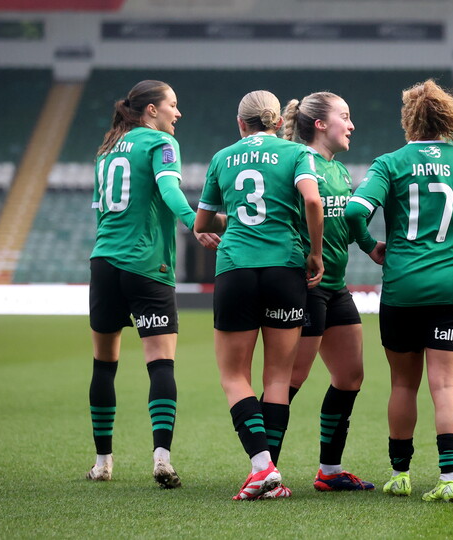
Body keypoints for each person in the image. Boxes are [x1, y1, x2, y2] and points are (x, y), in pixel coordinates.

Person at [344, 79, 453, 503]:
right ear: (448, 118)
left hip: (402, 287)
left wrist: (369, 245)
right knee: (446, 386)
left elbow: (356, 210)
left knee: (402, 386)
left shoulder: (390, 162)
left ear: (409, 120)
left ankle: (401, 474)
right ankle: (449, 478)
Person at [87, 79, 221, 488]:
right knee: (160, 364)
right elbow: (168, 188)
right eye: (172, 106)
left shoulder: (106, 149)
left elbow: (102, 213)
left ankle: (102, 462)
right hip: (147, 266)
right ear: (151, 111)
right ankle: (161, 459)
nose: (177, 113)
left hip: (104, 263)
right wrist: (194, 224)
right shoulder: (160, 144)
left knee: (104, 366)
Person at [194, 90, 324, 500]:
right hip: (285, 268)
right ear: (278, 123)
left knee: (234, 376)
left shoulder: (222, 157)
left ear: (241, 124)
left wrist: (219, 220)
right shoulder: (294, 154)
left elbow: (203, 220)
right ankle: (271, 476)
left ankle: (262, 467)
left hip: (236, 267)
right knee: (278, 378)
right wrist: (315, 253)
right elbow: (312, 200)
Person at [281, 91, 381, 492]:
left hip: (335, 288)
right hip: (306, 286)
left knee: (350, 375)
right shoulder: (301, 162)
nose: (351, 124)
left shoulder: (337, 170)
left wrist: (371, 246)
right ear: (321, 124)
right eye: (345, 116)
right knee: (290, 380)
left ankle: (330, 470)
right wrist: (314, 254)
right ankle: (263, 465)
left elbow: (347, 222)